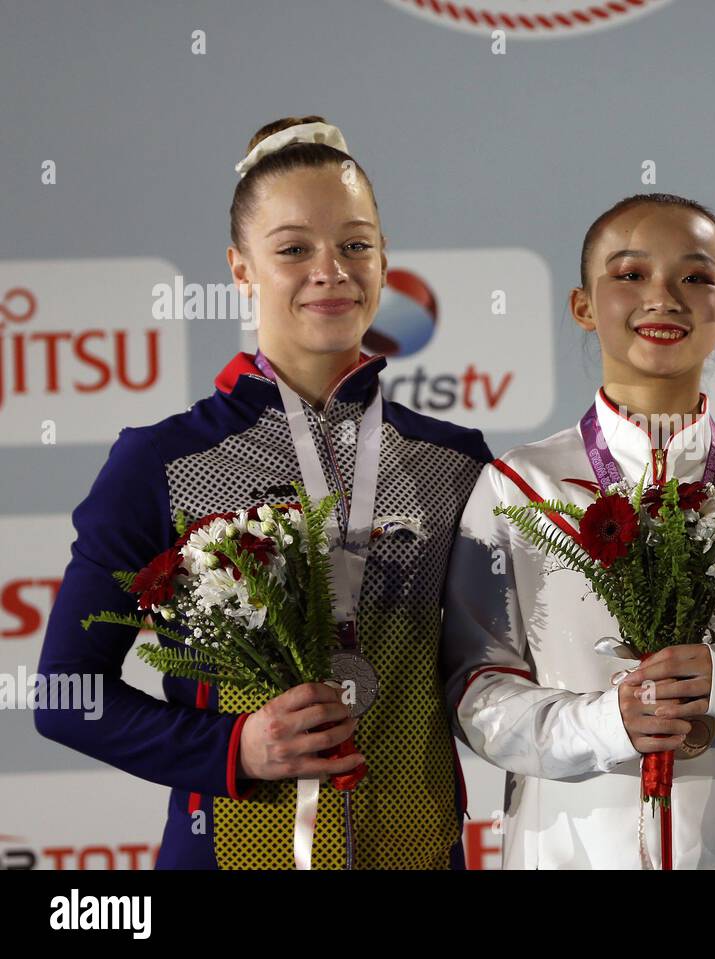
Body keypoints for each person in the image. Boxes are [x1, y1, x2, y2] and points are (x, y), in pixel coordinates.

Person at [36, 115, 490, 869]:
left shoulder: (453, 461)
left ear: (384, 260)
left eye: (355, 244)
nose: (331, 270)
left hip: (419, 849)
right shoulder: (162, 461)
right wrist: (232, 746)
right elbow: (64, 695)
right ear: (241, 269)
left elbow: (495, 670)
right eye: (293, 250)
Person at [442, 193, 715, 868]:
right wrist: (610, 722)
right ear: (581, 305)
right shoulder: (521, 487)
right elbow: (477, 696)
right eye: (629, 274)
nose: (662, 297)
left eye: (695, 277)